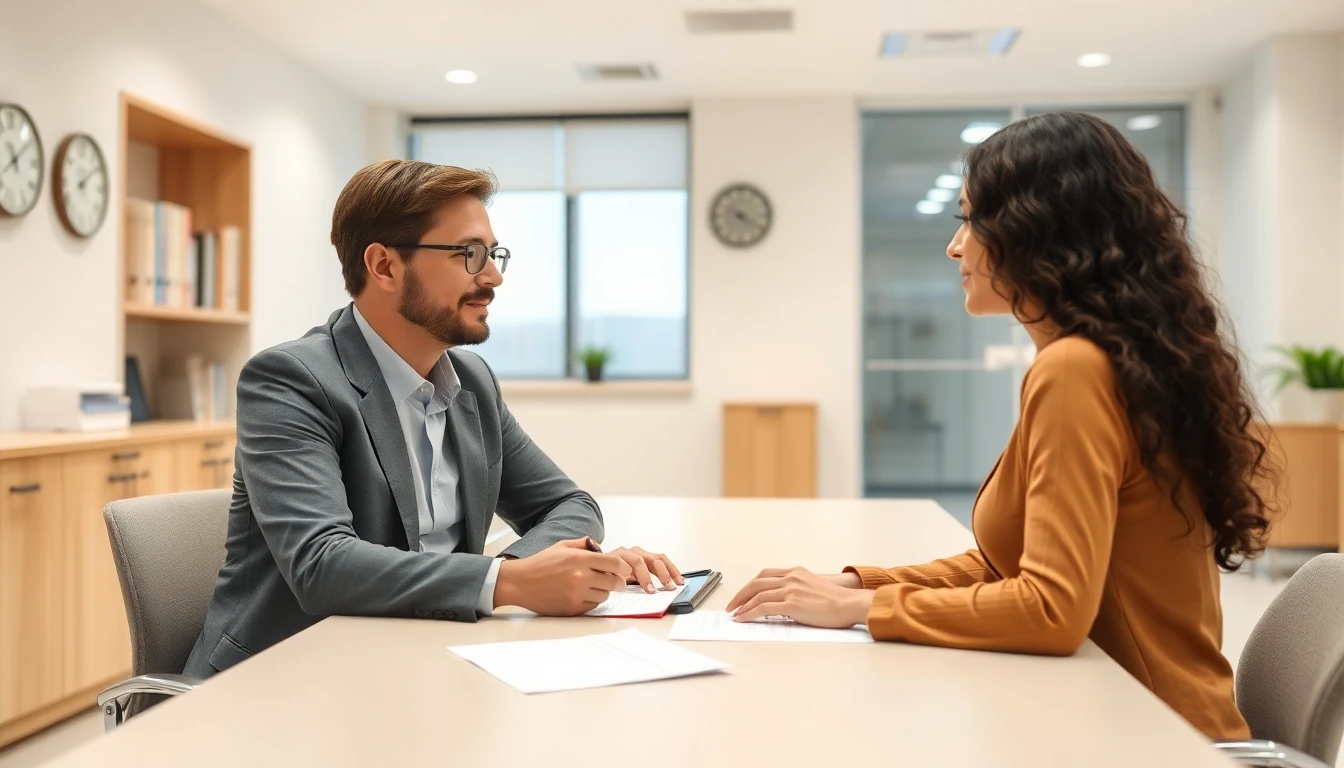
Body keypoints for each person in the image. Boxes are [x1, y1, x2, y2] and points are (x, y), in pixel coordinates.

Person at [726, 112, 1274, 740]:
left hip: (1153, 737)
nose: (955, 245)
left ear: (1037, 229)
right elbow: (1007, 567)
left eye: (969, 219)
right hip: (1140, 716)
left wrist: (864, 607)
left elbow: (1049, 611)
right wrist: (856, 584)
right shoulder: (1108, 360)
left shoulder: (1075, 370)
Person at [185, 160, 682, 678]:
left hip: (420, 664)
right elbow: (321, 565)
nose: (493, 276)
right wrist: (507, 584)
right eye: (469, 255)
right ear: (384, 266)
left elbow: (567, 504)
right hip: (285, 682)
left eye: (493, 254)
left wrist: (516, 573)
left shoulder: (471, 381)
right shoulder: (291, 380)